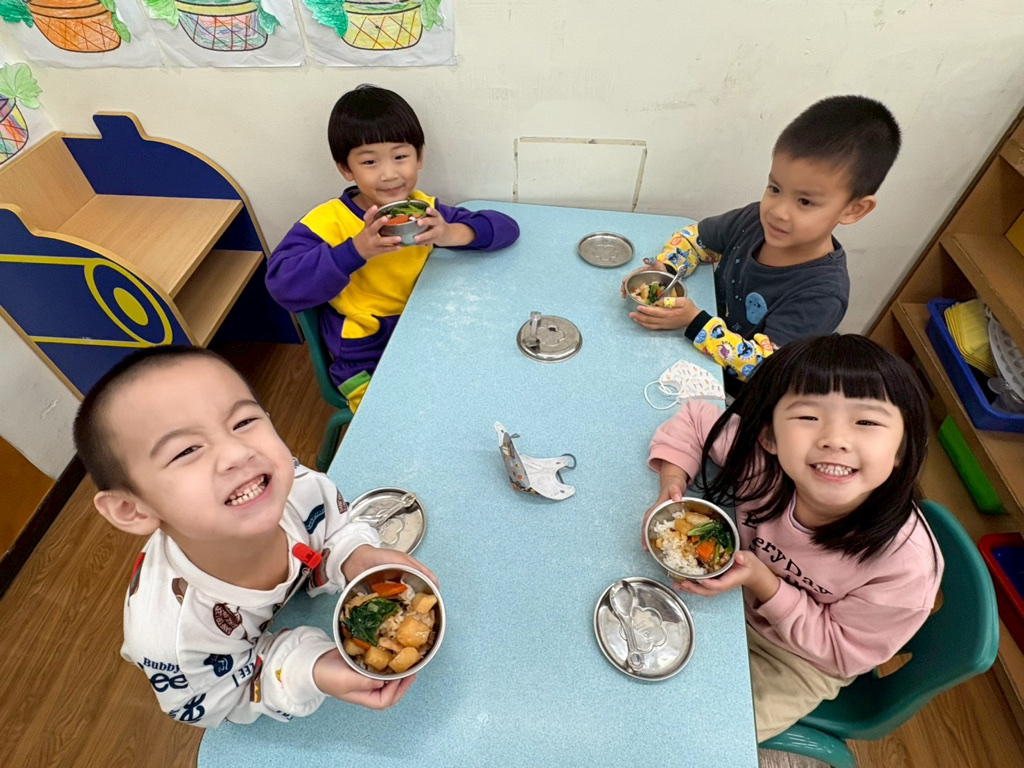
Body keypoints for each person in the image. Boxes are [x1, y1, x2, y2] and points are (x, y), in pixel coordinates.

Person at [73, 345, 436, 727]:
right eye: (187, 450)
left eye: (243, 422)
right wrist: (307, 669)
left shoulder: (297, 488)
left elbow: (334, 527)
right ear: (132, 509)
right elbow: (223, 698)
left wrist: (352, 555)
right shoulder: (174, 639)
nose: (237, 453)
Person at [644, 334, 942, 741]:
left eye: (867, 422)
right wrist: (672, 483)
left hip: (798, 661)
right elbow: (697, 418)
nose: (835, 439)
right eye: (808, 417)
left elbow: (841, 653)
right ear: (769, 435)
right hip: (731, 603)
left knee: (700, 737)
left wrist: (764, 582)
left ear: (901, 450)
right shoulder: (763, 467)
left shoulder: (906, 566)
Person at [267, 85, 520, 411]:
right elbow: (281, 284)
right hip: (365, 356)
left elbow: (506, 228)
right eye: (369, 161)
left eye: (400, 157)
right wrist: (355, 251)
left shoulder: (422, 209)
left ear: (419, 157)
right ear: (346, 168)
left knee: (475, 395)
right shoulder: (328, 222)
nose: (389, 174)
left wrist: (448, 233)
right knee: (398, 419)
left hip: (427, 332)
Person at [623, 96, 901, 390]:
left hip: (740, 394)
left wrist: (694, 322)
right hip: (696, 352)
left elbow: (765, 368)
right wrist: (667, 272)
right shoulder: (754, 220)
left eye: (805, 201)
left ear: (853, 209)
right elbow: (696, 239)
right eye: (775, 188)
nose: (778, 211)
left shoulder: (822, 295)